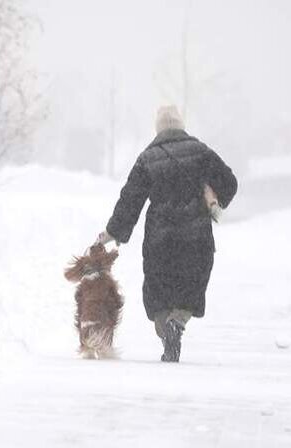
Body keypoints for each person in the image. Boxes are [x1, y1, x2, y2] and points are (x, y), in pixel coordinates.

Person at [97, 105, 237, 362]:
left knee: (158, 289)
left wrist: (112, 232)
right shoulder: (200, 152)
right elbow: (229, 182)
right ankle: (178, 323)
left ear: (158, 128)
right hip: (196, 236)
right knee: (192, 285)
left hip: (160, 239)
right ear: (181, 125)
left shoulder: (147, 158)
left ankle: (166, 330)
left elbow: (131, 200)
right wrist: (212, 194)